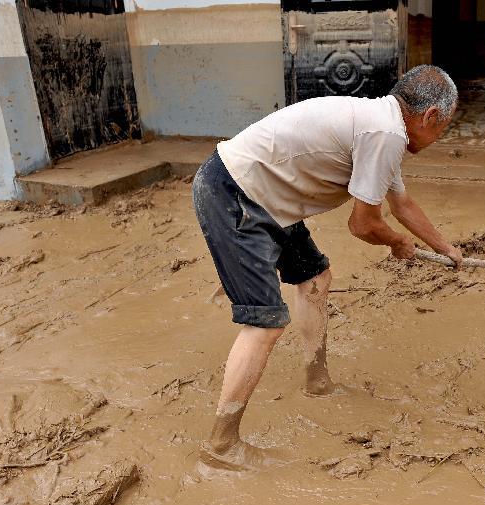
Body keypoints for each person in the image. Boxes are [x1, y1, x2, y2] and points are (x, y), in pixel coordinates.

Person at [191, 65, 462, 470]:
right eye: (444, 127)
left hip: (269, 196)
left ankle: (317, 381)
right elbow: (363, 224)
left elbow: (400, 204)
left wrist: (447, 249)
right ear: (429, 117)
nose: (441, 136)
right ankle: (222, 446)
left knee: (316, 278)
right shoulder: (384, 134)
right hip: (237, 193)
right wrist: (397, 243)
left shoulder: (383, 125)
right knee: (265, 322)